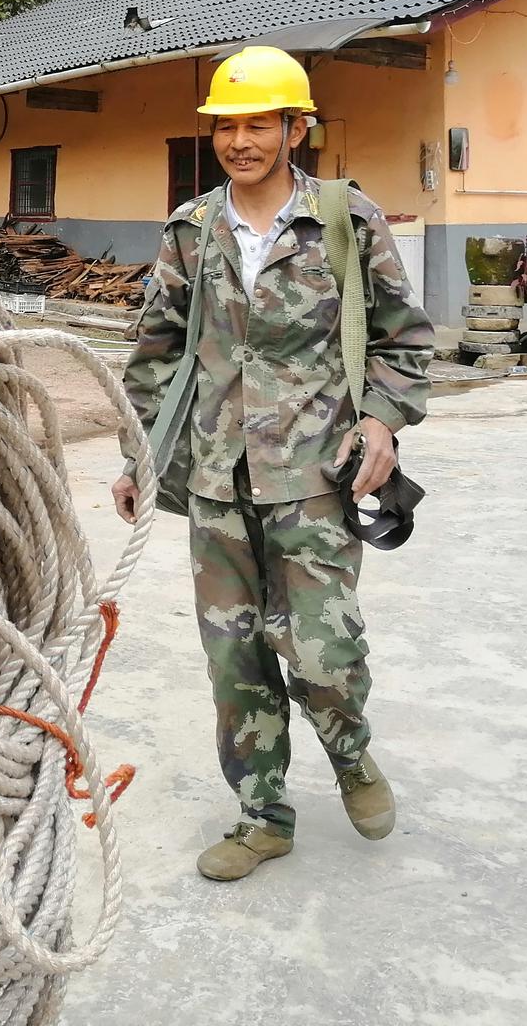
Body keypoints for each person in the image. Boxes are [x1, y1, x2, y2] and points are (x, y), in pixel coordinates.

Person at [113, 45, 433, 883]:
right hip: (217, 479)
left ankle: (352, 756)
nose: (241, 139)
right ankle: (262, 815)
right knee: (236, 656)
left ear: (297, 128)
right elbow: (156, 354)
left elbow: (405, 338)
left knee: (324, 653)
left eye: (259, 123)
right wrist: (136, 457)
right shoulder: (192, 230)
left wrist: (384, 424)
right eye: (227, 124)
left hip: (316, 476)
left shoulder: (344, 218)